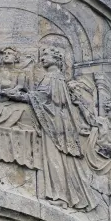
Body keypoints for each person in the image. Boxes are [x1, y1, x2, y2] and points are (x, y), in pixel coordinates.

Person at [22, 46, 95, 210]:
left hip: (55, 124)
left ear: (57, 58)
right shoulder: (55, 77)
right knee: (55, 160)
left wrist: (23, 96)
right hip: (55, 123)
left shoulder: (54, 77)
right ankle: (62, 195)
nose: (42, 58)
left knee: (55, 159)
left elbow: (51, 99)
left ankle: (61, 196)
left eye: (46, 55)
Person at [0, 47, 41, 172]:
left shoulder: (20, 73)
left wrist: (12, 91)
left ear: (16, 57)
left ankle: (25, 152)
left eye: (10, 53)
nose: (6, 55)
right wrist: (4, 91)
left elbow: (20, 86)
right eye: (4, 53)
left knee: (26, 110)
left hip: (13, 101)